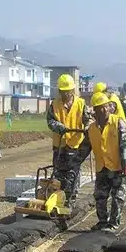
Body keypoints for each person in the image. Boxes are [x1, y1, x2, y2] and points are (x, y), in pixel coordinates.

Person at [82, 91, 126, 231]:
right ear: (94, 112)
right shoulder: (92, 128)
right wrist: (74, 162)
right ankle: (102, 222)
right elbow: (85, 147)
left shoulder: (118, 122)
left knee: (118, 196)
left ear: (109, 107)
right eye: (99, 108)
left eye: (105, 107)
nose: (103, 110)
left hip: (117, 167)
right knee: (100, 196)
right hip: (102, 167)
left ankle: (114, 223)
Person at [46, 73, 90, 206]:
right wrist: (60, 127)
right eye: (63, 92)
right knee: (58, 173)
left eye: (68, 92)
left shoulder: (81, 104)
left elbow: (87, 119)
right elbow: (50, 121)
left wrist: (87, 127)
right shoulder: (54, 104)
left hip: (75, 145)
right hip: (59, 145)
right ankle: (58, 200)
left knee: (73, 174)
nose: (65, 95)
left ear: (72, 91)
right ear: (59, 91)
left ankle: (71, 200)